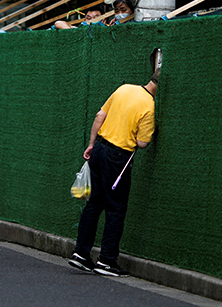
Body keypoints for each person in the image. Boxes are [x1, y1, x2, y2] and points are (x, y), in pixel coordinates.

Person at [68, 48, 161, 278]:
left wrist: (91, 144)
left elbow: (100, 115)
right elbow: (141, 143)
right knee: (116, 209)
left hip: (99, 148)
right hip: (118, 158)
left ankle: (81, 253)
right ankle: (107, 261)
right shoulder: (149, 107)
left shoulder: (124, 88)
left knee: (94, 204)